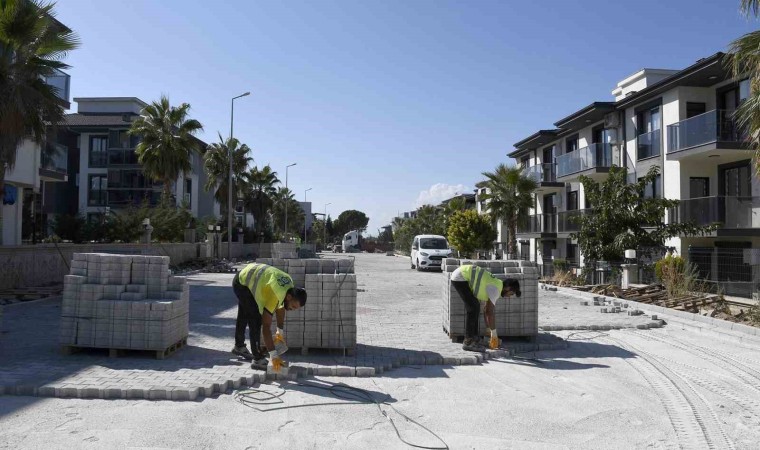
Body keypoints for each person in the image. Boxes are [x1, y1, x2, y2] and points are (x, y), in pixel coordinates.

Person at [231, 262, 308, 368]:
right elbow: (266, 327)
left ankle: (239, 346)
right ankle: (257, 359)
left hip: (249, 275)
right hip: (242, 283)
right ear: (289, 297)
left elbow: (281, 308)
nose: (292, 309)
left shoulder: (289, 286)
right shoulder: (275, 296)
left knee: (245, 312)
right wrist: (274, 356)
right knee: (255, 319)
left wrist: (279, 332)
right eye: (293, 306)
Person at [450, 264, 521, 352]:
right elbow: (489, 312)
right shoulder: (496, 289)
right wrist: (494, 334)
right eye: (511, 293)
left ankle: (474, 339)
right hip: (460, 277)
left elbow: (486, 309)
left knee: (475, 306)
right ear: (508, 288)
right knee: (473, 308)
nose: (509, 296)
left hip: (462, 274)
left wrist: (488, 329)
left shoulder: (497, 284)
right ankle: (468, 342)